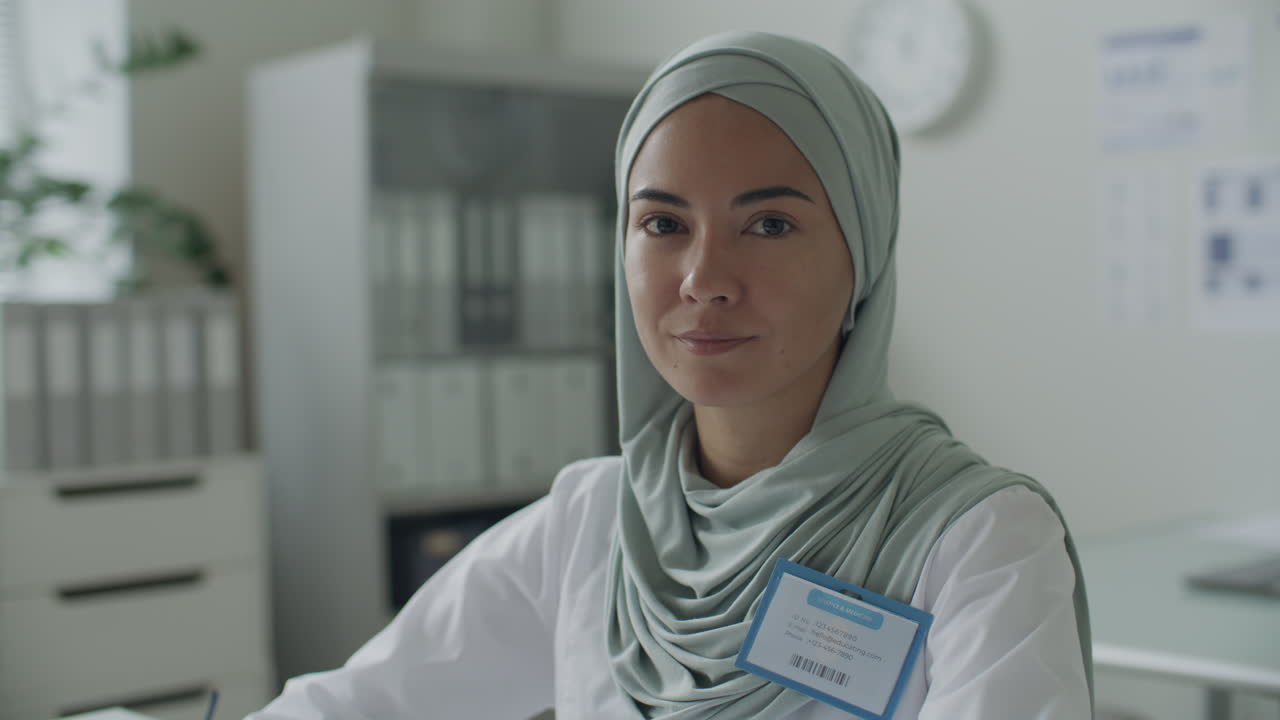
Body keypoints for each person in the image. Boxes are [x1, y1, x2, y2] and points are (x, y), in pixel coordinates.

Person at [247, 30, 1092, 720]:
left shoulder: (979, 540)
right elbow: (357, 705)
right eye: (661, 222)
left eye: (767, 223)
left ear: (862, 255)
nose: (703, 279)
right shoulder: (590, 526)